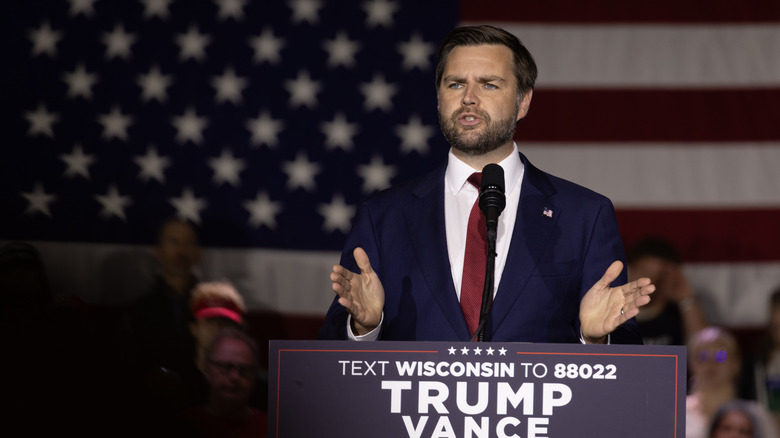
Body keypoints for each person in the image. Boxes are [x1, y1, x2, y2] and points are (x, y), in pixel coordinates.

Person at [318, 24, 654, 344]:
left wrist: (593, 338)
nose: (468, 98)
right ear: (438, 98)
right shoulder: (383, 216)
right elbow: (329, 357)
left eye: (489, 84)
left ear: (523, 102)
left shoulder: (584, 215)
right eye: (455, 84)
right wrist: (364, 327)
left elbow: (625, 352)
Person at [686, 326, 779, 438]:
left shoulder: (758, 415)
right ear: (691, 365)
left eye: (720, 356)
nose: (711, 363)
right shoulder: (677, 413)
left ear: (736, 363)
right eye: (702, 357)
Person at [182, 327, 268, 438]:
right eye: (225, 367)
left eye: (244, 369)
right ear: (207, 369)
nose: (235, 377)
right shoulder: (181, 424)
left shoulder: (273, 428)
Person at [626, 236, 708, 346]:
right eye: (644, 271)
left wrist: (686, 298)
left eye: (660, 275)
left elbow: (705, 348)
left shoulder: (678, 314)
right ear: (631, 270)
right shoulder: (617, 313)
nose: (650, 280)